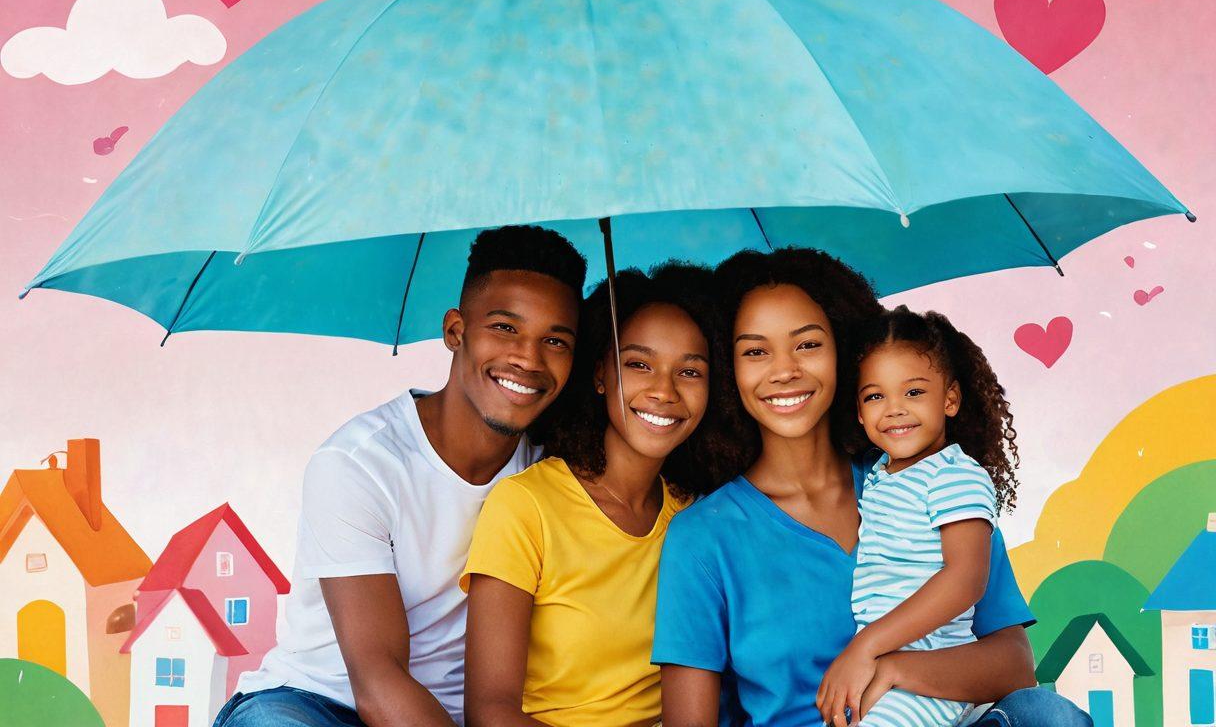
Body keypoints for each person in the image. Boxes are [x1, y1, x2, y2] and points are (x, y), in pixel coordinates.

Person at [653, 247, 1092, 727]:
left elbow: (1014, 664)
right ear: (727, 369)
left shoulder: (924, 482)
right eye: (755, 351)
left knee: (1047, 715)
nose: (784, 370)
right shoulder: (702, 538)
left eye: (807, 344)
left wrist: (888, 666)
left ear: (845, 353)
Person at [213, 225, 587, 727]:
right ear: (456, 331)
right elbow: (377, 680)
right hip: (321, 703)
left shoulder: (554, 469)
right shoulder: (359, 463)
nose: (528, 357)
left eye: (556, 341)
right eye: (504, 328)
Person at [461, 264, 742, 727]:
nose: (663, 391)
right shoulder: (525, 506)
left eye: (689, 371)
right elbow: (489, 712)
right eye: (638, 364)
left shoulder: (696, 516)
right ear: (599, 375)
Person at [817, 307, 1021, 725]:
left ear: (950, 399)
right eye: (875, 396)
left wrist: (865, 647)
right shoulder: (877, 476)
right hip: (880, 673)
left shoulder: (955, 475)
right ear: (858, 411)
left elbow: (966, 578)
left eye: (913, 392)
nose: (894, 409)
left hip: (928, 672)